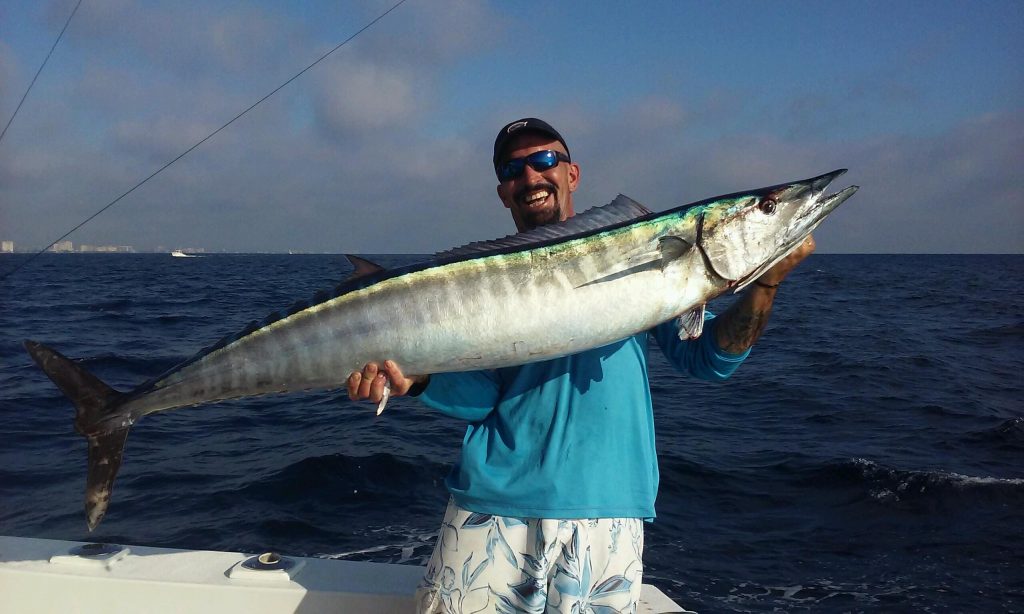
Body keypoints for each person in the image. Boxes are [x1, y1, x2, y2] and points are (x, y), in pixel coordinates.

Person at [347, 118, 814, 613]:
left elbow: (707, 360)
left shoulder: (653, 252)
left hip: (607, 513)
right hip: (492, 506)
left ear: (572, 173)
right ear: (503, 192)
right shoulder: (482, 285)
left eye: (545, 159)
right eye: (513, 168)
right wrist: (417, 379)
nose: (531, 176)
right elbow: (481, 398)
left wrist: (766, 283)